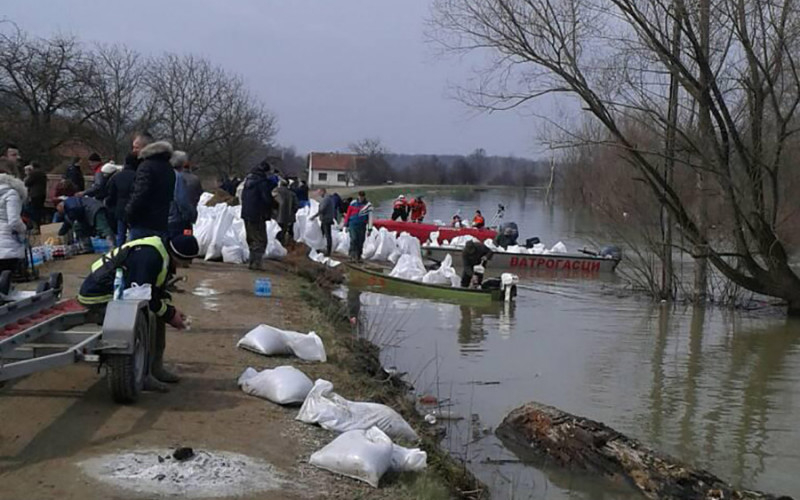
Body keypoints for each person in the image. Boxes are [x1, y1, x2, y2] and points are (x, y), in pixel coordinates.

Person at [78, 234, 200, 392]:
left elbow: (155, 291)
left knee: (158, 313)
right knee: (147, 316)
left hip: (116, 292)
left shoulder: (161, 252)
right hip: (98, 297)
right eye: (186, 261)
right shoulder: (149, 257)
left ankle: (156, 368)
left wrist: (171, 311)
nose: (187, 265)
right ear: (177, 256)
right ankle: (144, 375)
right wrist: (170, 316)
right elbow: (140, 297)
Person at [126, 137, 175, 240]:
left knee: (138, 254)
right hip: (161, 220)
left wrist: (129, 212)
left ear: (145, 148)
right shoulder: (168, 167)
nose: (134, 150)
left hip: (143, 221)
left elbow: (140, 193)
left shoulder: (146, 166)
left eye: (136, 147)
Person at [241, 160, 276, 270]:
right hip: (257, 214)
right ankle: (257, 263)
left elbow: (242, 197)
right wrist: (274, 205)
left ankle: (252, 262)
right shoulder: (262, 183)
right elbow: (266, 199)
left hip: (246, 213)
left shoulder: (247, 181)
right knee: (261, 239)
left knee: (251, 238)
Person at [105, 153, 139, 247]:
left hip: (120, 208)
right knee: (133, 233)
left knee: (121, 234)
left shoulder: (116, 177)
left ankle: (119, 254)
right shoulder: (138, 176)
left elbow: (111, 194)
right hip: (134, 208)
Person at [0, 168, 27, 272]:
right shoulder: (11, 193)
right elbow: (14, 221)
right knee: (5, 282)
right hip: (6, 246)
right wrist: (23, 229)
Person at [168, 151, 197, 238]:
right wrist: (191, 214)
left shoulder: (165, 174)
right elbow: (181, 199)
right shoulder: (178, 177)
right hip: (176, 219)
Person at [343, 191, 373, 262]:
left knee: (360, 241)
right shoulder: (353, 203)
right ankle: (351, 256)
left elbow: (370, 218)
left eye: (362, 197)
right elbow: (348, 214)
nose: (361, 198)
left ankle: (358, 256)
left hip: (362, 226)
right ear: (358, 196)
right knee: (354, 239)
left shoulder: (368, 205)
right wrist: (346, 225)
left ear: (364, 197)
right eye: (360, 196)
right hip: (353, 224)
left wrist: (369, 229)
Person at [311, 188, 336, 256]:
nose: (319, 194)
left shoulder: (326, 199)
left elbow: (322, 209)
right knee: (322, 233)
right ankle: (320, 247)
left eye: (319, 193)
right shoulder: (329, 198)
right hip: (327, 219)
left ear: (323, 192)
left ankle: (328, 251)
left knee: (327, 234)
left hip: (326, 219)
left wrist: (314, 216)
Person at [273, 179, 298, 247]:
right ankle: (288, 245)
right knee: (288, 231)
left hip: (277, 216)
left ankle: (278, 246)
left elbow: (271, 203)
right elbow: (296, 205)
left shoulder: (275, 191)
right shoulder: (292, 193)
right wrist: (292, 213)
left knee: (277, 231)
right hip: (289, 217)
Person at [23, 162, 47, 226]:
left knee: (34, 210)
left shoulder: (33, 173)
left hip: (35, 194)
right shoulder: (43, 173)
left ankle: (35, 224)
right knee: (40, 209)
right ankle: (41, 223)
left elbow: (27, 183)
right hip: (42, 193)